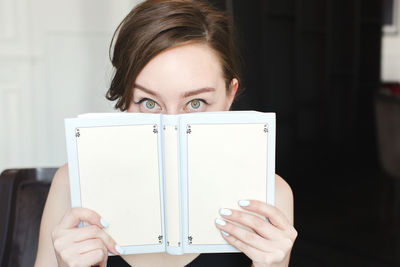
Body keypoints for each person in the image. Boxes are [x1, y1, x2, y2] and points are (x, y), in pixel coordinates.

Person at [34, 0, 297, 266]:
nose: (170, 130)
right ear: (125, 99)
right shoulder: (70, 184)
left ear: (229, 95)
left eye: (196, 103)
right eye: (149, 103)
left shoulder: (271, 197)